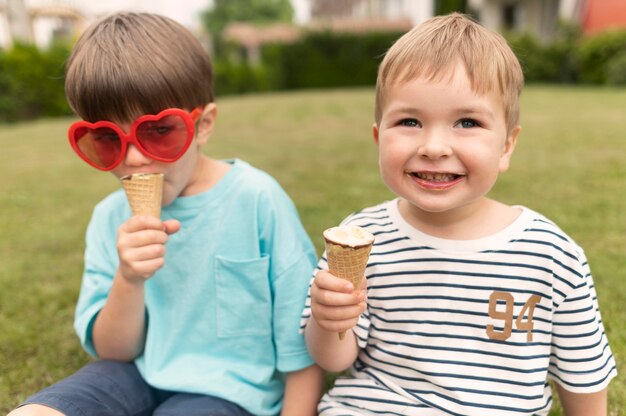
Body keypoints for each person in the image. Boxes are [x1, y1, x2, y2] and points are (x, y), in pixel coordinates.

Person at [301, 13, 616, 416]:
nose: (434, 146)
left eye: (467, 122)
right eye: (409, 121)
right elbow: (334, 359)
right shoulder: (361, 237)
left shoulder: (552, 255)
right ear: (379, 138)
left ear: (506, 146)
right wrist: (328, 319)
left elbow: (584, 378)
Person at [10, 12, 322, 416]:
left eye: (158, 131)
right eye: (108, 139)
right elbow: (114, 352)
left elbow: (301, 339)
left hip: (226, 389)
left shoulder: (255, 199)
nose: (135, 158)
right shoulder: (109, 218)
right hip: (133, 374)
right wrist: (129, 278)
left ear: (203, 125)